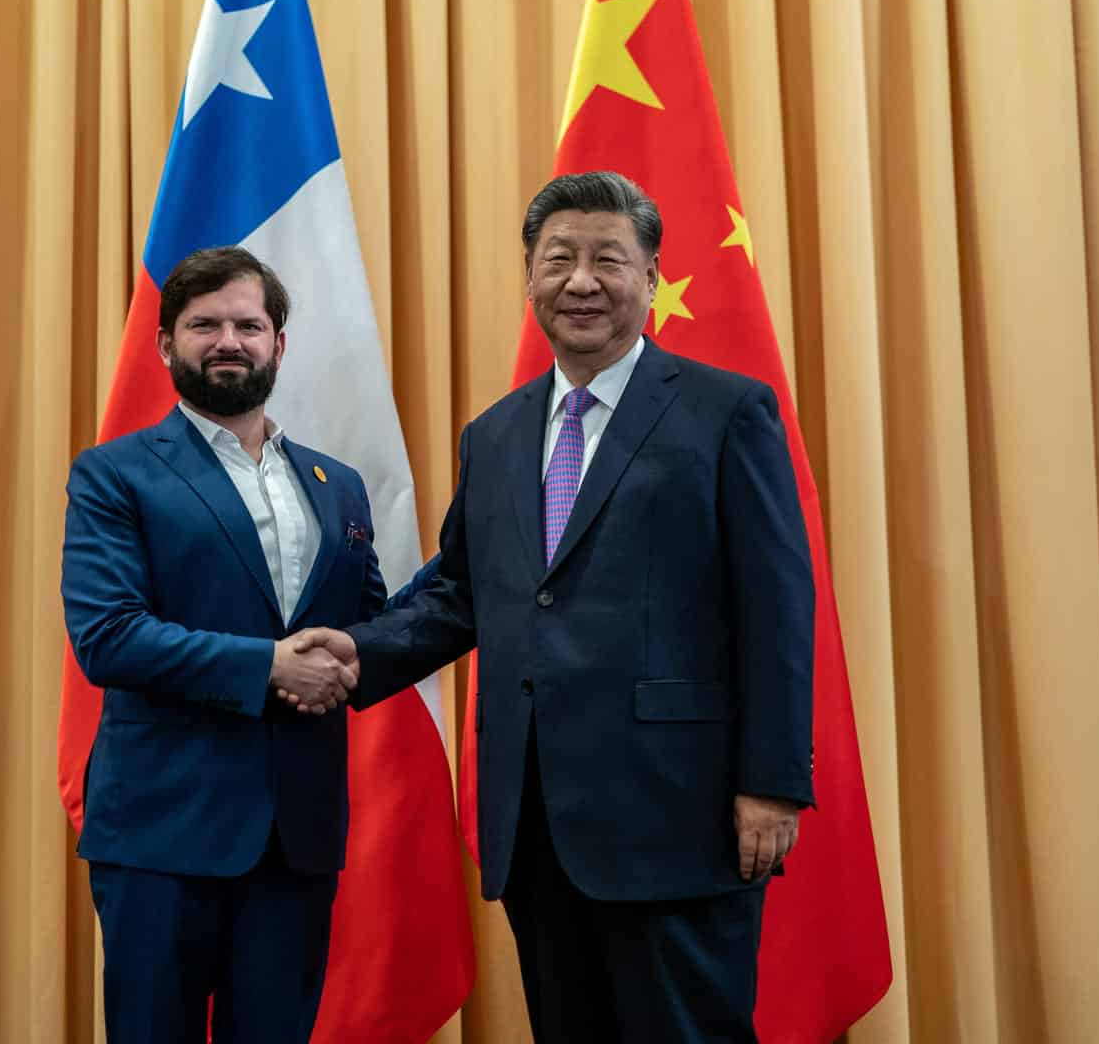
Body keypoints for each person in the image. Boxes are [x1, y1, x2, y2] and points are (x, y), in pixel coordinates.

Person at [303, 171, 817, 1043]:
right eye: (559, 260)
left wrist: (769, 785)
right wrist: (360, 656)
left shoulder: (727, 412)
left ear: (651, 278)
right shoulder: (495, 434)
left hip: (678, 819)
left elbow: (775, 605)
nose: (582, 281)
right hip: (535, 821)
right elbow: (467, 591)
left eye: (608, 260)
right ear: (530, 278)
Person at [61, 246, 378, 1044]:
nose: (227, 340)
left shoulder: (337, 484)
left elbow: (362, 626)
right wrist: (271, 665)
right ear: (166, 344)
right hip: (164, 830)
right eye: (204, 325)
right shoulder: (114, 475)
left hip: (296, 835)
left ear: (279, 343)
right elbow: (108, 637)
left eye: (248, 323)